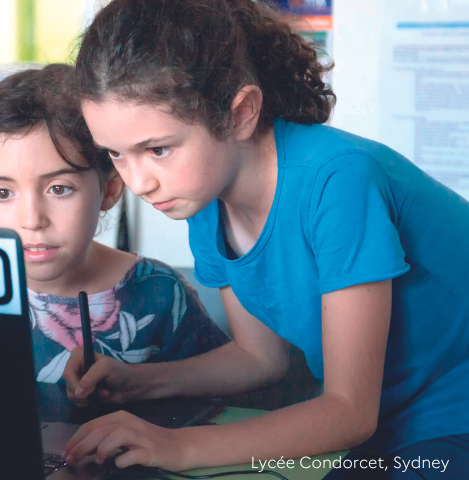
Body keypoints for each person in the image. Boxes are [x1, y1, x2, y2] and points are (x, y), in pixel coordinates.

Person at [61, 0, 469, 476]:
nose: (138, 182)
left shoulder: (337, 180)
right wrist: (137, 384)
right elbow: (260, 358)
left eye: (158, 149)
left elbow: (349, 411)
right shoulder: (199, 195)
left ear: (241, 114)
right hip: (395, 422)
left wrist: (178, 446)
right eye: (116, 154)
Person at [0, 64, 228, 383]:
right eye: (3, 193)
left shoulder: (161, 294)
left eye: (59, 189)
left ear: (110, 190)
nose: (32, 220)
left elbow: (218, 403)